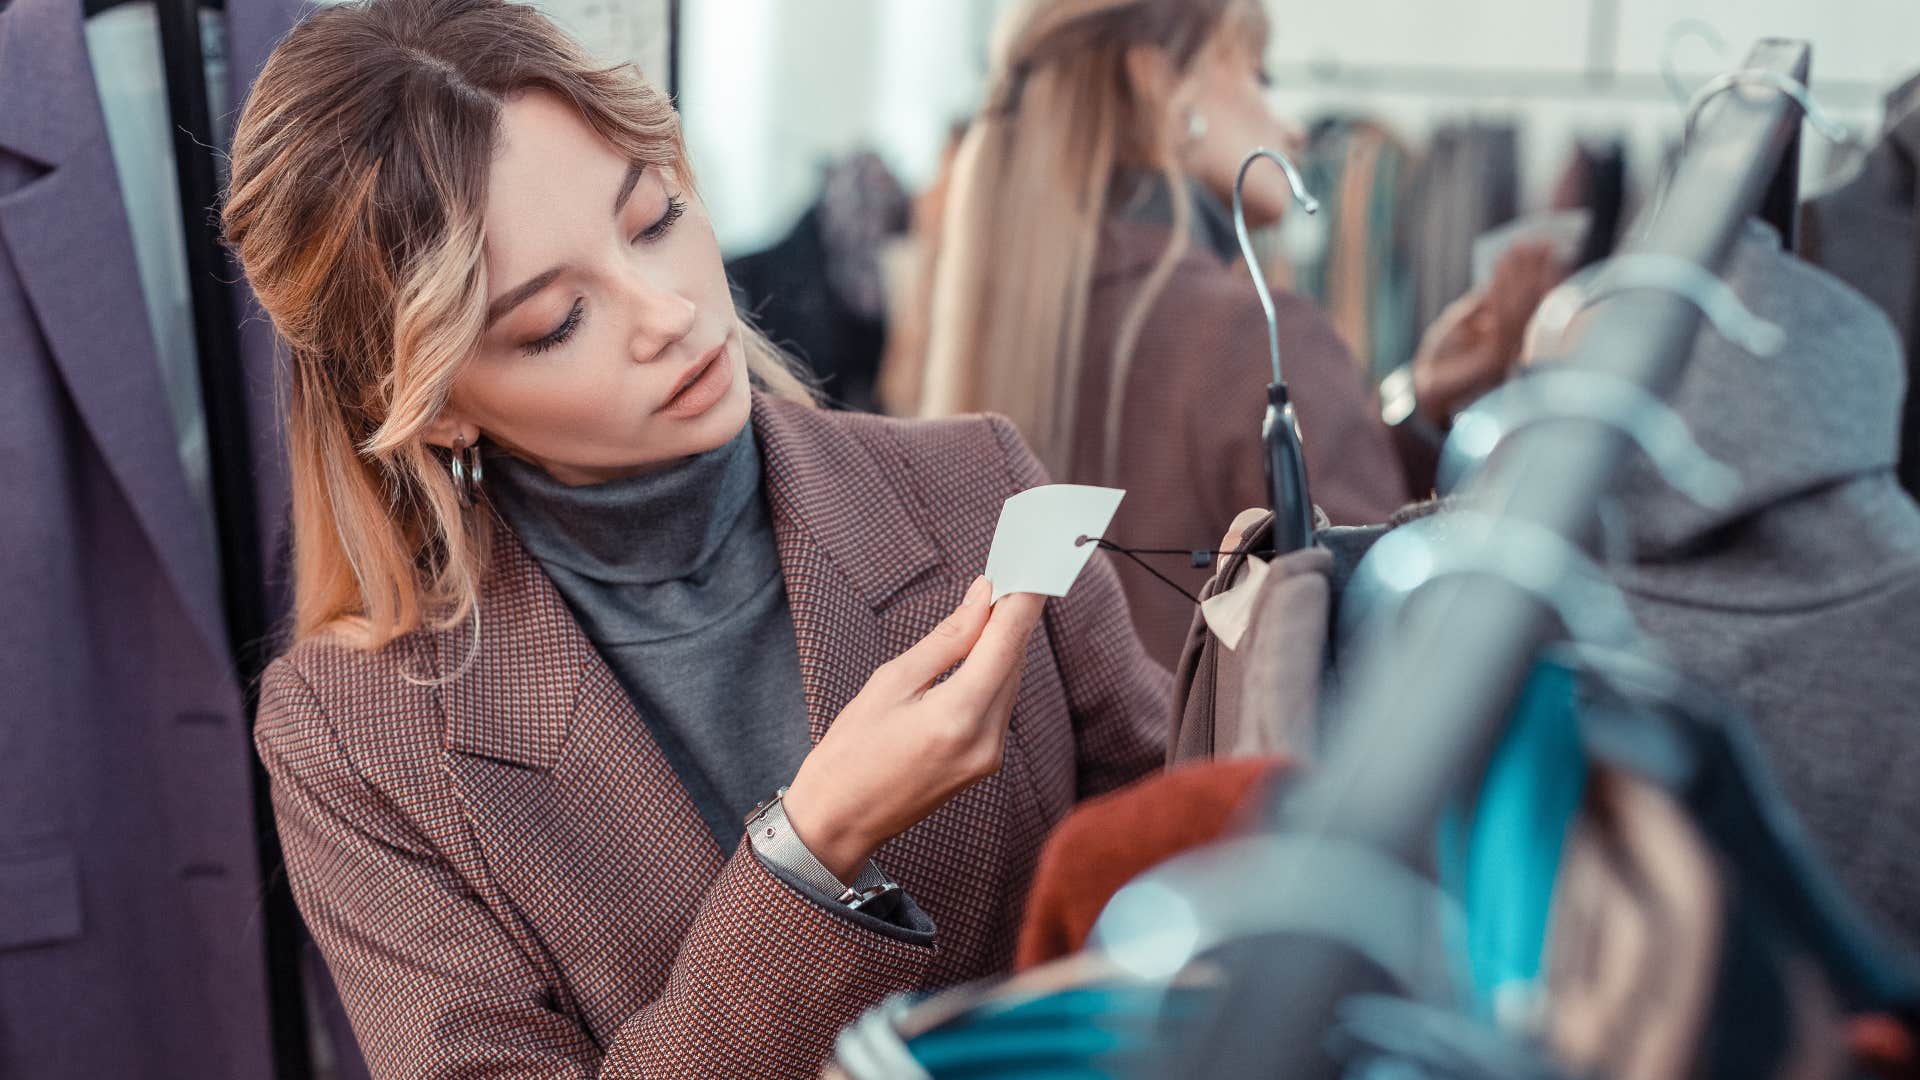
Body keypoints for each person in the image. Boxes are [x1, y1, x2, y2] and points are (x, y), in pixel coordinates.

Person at [220, 0, 1167, 1075]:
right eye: (555, 323)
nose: (665, 312)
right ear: (434, 405)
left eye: (655, 219)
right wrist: (809, 849)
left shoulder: (976, 488)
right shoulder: (354, 734)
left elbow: (1196, 878)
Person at [917, 0, 1411, 666]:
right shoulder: (1257, 342)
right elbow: (1389, 638)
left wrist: (1418, 410)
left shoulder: (1004, 333)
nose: (1290, 127)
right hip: (1241, 771)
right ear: (1159, 85)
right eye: (1260, 77)